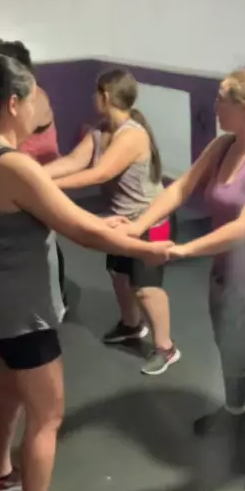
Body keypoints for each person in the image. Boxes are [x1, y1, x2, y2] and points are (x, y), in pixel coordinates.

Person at [0, 54, 172, 491]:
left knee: (11, 390)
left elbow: (67, 210)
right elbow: (78, 227)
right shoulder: (14, 166)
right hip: (20, 311)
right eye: (34, 97)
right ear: (13, 104)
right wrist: (145, 246)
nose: (41, 107)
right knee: (48, 417)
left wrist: (110, 227)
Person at [121, 69, 245, 491]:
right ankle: (234, 414)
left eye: (221, 99)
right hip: (225, 276)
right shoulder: (223, 145)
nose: (214, 106)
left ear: (244, 108)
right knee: (230, 351)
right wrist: (138, 225)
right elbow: (180, 189)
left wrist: (182, 250)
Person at [47, 69, 180, 376]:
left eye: (95, 93)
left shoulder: (132, 135)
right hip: (121, 220)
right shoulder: (101, 129)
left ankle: (166, 347)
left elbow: (99, 174)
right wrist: (35, 174)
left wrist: (45, 188)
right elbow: (74, 161)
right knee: (118, 275)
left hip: (151, 221)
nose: (92, 98)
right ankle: (132, 325)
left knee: (145, 288)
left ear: (105, 96)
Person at [0, 40, 68, 309]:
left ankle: (57, 301)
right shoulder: (12, 100)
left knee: (45, 238)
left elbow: (10, 136)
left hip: (42, 174)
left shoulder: (36, 98)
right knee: (32, 237)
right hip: (25, 176)